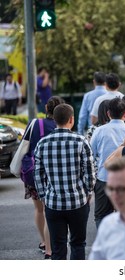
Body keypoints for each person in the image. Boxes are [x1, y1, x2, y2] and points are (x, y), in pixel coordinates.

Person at [34, 104, 95, 260]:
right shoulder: (81, 141)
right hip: (78, 202)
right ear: (71, 119)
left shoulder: (42, 143)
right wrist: (88, 192)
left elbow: (38, 175)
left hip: (53, 203)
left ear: (54, 120)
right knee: (78, 244)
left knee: (58, 247)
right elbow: (90, 172)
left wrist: (43, 196)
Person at [21, 96, 65, 259]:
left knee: (39, 209)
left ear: (46, 108)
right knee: (50, 211)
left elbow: (24, 146)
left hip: (33, 172)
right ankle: (50, 247)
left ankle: (44, 242)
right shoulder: (62, 126)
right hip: (53, 173)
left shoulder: (34, 124)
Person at [90, 97, 125, 228]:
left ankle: (105, 243)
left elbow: (92, 154)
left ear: (108, 113)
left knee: (101, 216)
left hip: (104, 178)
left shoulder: (99, 130)